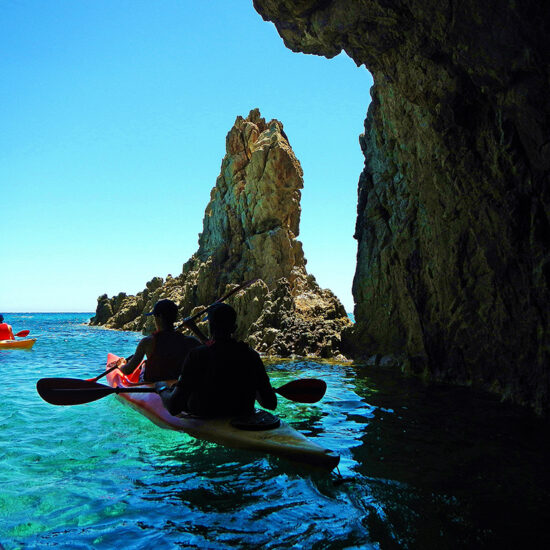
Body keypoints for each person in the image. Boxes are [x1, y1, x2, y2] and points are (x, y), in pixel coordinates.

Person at [156, 303, 277, 417]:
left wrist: (161, 388)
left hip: (204, 415)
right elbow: (270, 404)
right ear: (234, 328)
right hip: (242, 414)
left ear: (210, 327)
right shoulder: (251, 356)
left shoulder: (197, 355)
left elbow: (174, 407)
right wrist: (253, 385)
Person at [116, 299, 200, 382]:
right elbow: (209, 350)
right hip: (176, 385)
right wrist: (194, 328)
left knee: (144, 365)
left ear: (158, 317)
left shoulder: (147, 342)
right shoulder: (190, 341)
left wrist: (121, 365)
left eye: (154, 316)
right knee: (144, 364)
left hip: (152, 387)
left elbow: (128, 370)